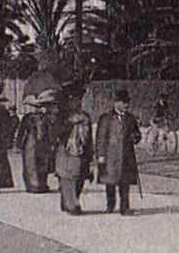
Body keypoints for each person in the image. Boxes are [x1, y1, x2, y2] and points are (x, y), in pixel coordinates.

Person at [95, 88, 142, 216]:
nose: (126, 105)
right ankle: (110, 205)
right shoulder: (106, 118)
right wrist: (101, 155)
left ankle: (124, 208)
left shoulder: (130, 119)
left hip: (126, 156)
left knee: (124, 183)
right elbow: (101, 138)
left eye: (127, 102)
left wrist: (135, 137)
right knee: (110, 182)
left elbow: (137, 134)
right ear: (116, 103)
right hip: (111, 156)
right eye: (123, 102)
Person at [56, 87, 93, 215]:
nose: (77, 103)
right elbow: (56, 133)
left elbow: (89, 138)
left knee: (79, 178)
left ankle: (69, 201)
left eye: (79, 100)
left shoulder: (85, 117)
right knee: (68, 178)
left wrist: (90, 155)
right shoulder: (62, 116)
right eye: (74, 100)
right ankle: (72, 204)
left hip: (81, 151)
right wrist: (68, 123)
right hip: (66, 152)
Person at [16, 94, 55, 193]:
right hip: (30, 143)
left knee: (43, 163)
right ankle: (32, 185)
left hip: (43, 143)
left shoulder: (46, 118)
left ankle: (42, 184)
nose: (37, 109)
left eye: (40, 107)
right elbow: (21, 131)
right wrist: (19, 144)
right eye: (35, 107)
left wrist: (52, 142)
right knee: (30, 164)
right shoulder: (27, 118)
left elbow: (51, 131)